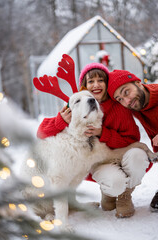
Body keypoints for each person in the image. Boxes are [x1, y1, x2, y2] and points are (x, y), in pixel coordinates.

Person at [37, 63, 149, 218]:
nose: (96, 85)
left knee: (138, 155)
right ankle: (109, 192)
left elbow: (131, 140)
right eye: (90, 81)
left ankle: (125, 196)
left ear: (106, 83)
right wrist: (60, 120)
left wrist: (104, 133)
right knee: (114, 182)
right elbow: (41, 132)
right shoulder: (77, 103)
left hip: (118, 154)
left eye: (100, 80)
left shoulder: (119, 104)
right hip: (100, 162)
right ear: (84, 86)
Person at [108, 69, 158, 212]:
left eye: (126, 92)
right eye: (120, 99)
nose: (127, 101)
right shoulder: (138, 106)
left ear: (138, 83)